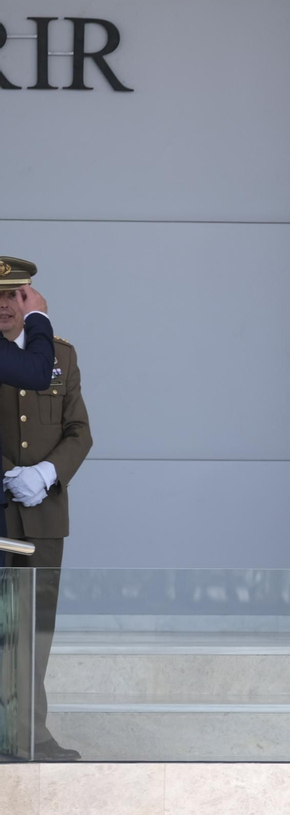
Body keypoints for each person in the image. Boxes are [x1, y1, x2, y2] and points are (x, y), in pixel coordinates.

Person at [0, 259, 92, 762]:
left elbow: (80, 430)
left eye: (12, 296)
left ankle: (29, 735)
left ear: (28, 300)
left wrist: (45, 474)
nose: (4, 306)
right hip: (0, 513)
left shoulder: (62, 356)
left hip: (43, 516)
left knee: (33, 632)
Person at [0, 258, 54, 396]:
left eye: (13, 295)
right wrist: (36, 315)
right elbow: (39, 373)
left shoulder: (64, 353)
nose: (3, 305)